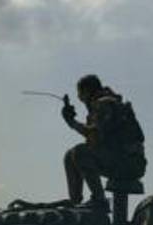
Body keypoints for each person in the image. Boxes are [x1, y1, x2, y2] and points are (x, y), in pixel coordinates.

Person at [61, 74, 146, 207]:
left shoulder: (105, 104)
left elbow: (94, 135)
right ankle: (75, 202)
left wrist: (72, 122)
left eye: (80, 94)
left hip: (129, 163)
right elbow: (95, 142)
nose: (79, 98)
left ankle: (99, 200)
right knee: (69, 156)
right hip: (119, 159)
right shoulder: (99, 107)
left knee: (80, 152)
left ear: (87, 91)